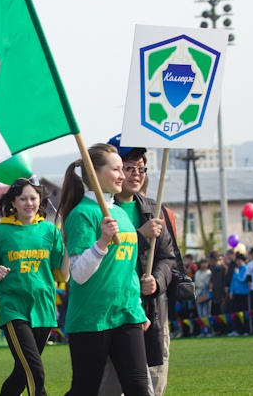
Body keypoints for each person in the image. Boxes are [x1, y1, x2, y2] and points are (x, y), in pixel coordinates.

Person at [57, 143, 150, 396]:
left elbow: (127, 269)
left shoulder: (120, 214)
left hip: (127, 314)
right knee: (84, 390)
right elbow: (78, 274)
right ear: (94, 173)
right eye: (117, 169)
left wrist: (138, 308)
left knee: (139, 390)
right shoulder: (82, 214)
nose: (123, 175)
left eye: (123, 169)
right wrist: (102, 241)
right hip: (91, 318)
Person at [99, 136, 175, 396]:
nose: (136, 174)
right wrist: (140, 235)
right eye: (129, 167)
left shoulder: (154, 209)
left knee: (154, 381)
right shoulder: (99, 211)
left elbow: (167, 258)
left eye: (141, 168)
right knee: (108, 384)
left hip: (151, 308)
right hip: (112, 309)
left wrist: (157, 280)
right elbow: (102, 257)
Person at [0, 177, 70, 396]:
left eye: (33, 198)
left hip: (44, 310)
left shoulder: (50, 231)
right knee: (35, 371)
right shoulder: (0, 232)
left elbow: (62, 275)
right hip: (14, 309)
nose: (29, 203)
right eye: (23, 199)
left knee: (22, 372)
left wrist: (68, 247)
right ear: (13, 202)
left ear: (40, 200)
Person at [228, 253, 249, 336]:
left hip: (243, 293)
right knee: (236, 312)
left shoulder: (246, 268)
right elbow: (233, 281)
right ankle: (237, 329)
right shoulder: (236, 269)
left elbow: (243, 279)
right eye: (237, 260)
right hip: (236, 293)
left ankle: (245, 330)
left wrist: (237, 274)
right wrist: (231, 292)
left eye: (240, 260)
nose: (238, 262)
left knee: (244, 312)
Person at [194, 258, 212, 337]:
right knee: (200, 314)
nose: (204, 265)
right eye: (202, 263)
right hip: (197, 294)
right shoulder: (197, 272)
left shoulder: (208, 272)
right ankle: (202, 331)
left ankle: (209, 330)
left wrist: (198, 285)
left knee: (206, 313)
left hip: (205, 294)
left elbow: (206, 284)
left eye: (205, 263)